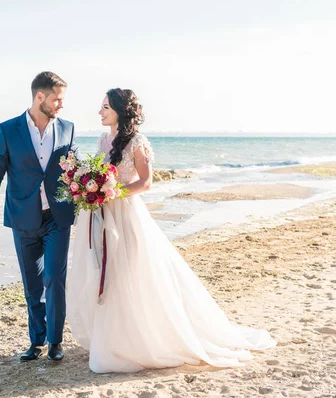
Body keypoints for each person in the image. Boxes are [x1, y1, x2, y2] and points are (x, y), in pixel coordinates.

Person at [66, 88, 276, 373]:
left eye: (105, 107)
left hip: (126, 212)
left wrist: (112, 193)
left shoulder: (137, 141)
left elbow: (146, 182)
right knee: (110, 273)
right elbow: (98, 172)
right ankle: (114, 337)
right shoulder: (104, 139)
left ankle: (145, 338)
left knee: (132, 271)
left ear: (119, 110)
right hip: (104, 214)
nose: (100, 111)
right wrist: (91, 187)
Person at [0, 71, 79, 361]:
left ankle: (55, 342)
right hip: (23, 217)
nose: (61, 105)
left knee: (54, 278)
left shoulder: (68, 128)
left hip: (57, 217)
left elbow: (75, 164)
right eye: (57, 99)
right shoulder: (8, 130)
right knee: (32, 283)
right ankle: (36, 341)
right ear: (40, 97)